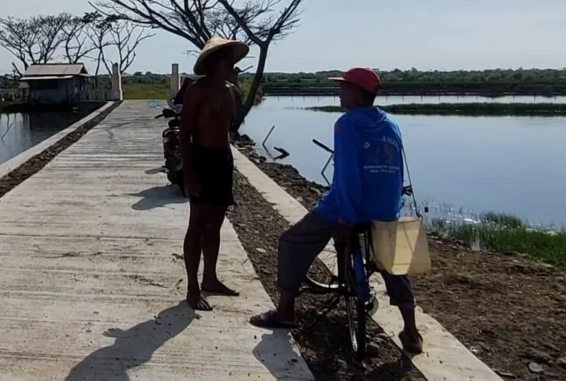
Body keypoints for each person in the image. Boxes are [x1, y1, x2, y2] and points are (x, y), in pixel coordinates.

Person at [249, 67, 424, 355]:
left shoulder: (347, 124)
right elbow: (395, 173)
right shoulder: (391, 126)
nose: (339, 92)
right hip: (385, 209)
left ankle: (285, 311)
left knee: (292, 242)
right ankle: (412, 331)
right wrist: (391, 209)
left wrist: (345, 217)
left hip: (348, 206)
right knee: (395, 264)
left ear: (355, 93)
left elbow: (347, 176)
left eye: (343, 88)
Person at [179, 37, 250, 310]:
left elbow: (229, 125)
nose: (231, 64)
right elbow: (185, 133)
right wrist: (189, 172)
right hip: (201, 157)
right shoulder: (197, 90)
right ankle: (192, 286)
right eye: (225, 59)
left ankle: (210, 278)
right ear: (211, 63)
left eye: (232, 59)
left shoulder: (231, 90)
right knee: (196, 222)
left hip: (223, 159)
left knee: (216, 222)